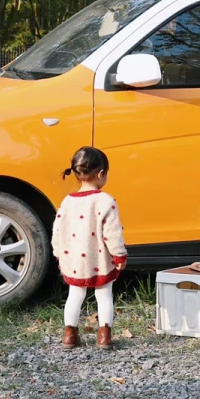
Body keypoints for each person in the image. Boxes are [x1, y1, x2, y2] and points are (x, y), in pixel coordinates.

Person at [52, 146, 128, 350]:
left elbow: (57, 230)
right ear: (101, 173)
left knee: (75, 295)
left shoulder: (67, 202)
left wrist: (58, 253)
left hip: (74, 260)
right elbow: (112, 233)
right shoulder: (105, 201)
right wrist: (119, 255)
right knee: (104, 295)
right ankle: (104, 336)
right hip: (100, 260)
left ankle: (69, 335)